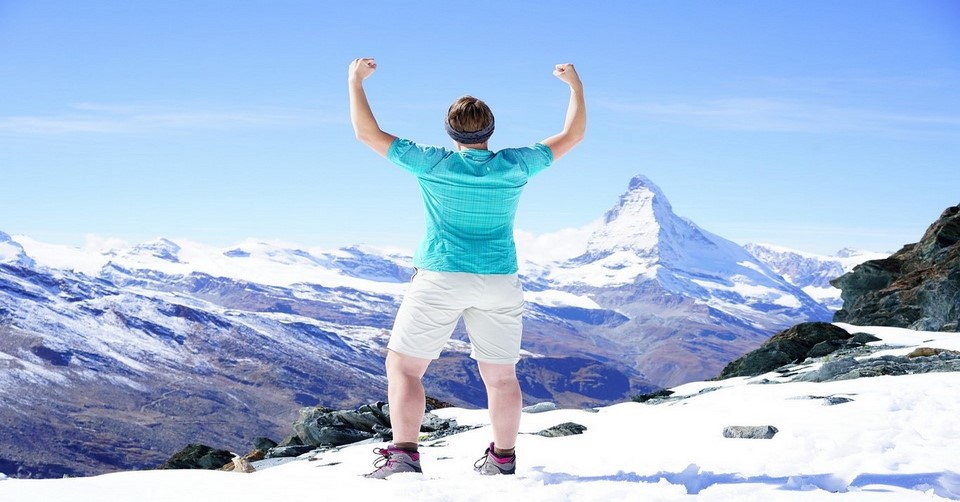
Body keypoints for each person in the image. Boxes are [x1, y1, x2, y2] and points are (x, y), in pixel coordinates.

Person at [348, 57, 585, 479]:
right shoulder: (516, 165)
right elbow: (573, 134)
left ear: (450, 131)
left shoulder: (432, 163)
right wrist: (574, 86)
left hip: (440, 275)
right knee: (500, 377)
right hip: (500, 280)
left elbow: (366, 133)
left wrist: (356, 80)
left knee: (404, 368)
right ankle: (502, 460)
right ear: (490, 129)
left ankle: (404, 456)